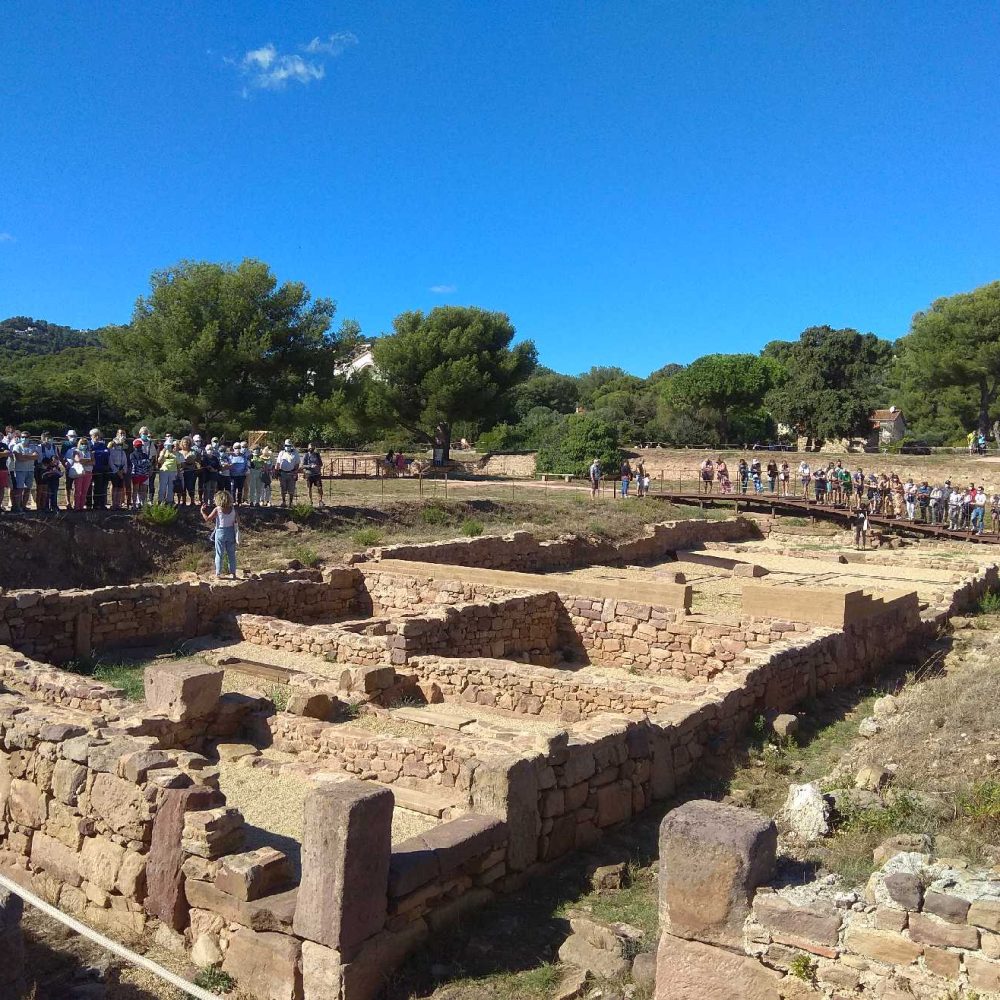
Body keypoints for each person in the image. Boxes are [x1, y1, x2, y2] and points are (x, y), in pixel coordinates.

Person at [201, 490, 239, 579]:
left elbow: (208, 519)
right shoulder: (233, 510)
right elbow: (238, 521)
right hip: (231, 532)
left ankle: (218, 573)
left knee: (219, 554)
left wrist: (202, 511)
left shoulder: (218, 509)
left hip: (220, 532)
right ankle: (233, 573)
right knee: (231, 554)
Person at [11, 432, 39, 513]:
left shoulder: (33, 446)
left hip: (30, 470)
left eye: (26, 437)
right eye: (22, 437)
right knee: (19, 489)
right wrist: (30, 457)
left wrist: (25, 456)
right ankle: (18, 507)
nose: (24, 438)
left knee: (28, 489)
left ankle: (24, 506)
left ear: (29, 438)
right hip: (20, 470)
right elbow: (19, 458)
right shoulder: (17, 446)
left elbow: (36, 456)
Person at [67, 435, 93, 511]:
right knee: (78, 490)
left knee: (85, 490)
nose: (84, 445)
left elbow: (93, 461)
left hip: (88, 472)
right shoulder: (76, 451)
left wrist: (85, 461)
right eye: (82, 443)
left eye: (85, 444)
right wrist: (88, 461)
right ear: (79, 444)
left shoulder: (89, 452)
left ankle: (81, 506)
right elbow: (78, 460)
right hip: (79, 472)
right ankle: (76, 506)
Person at [35, 431, 59, 511]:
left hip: (53, 470)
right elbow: (39, 461)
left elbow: (57, 458)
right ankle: (43, 506)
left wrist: (54, 463)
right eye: (47, 438)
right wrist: (48, 464)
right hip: (43, 471)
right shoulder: (39, 447)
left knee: (54, 489)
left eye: (50, 438)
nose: (49, 439)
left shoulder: (54, 447)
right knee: (44, 490)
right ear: (42, 439)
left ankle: (54, 505)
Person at [89, 429, 110, 509]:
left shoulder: (102, 445)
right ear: (91, 436)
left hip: (100, 469)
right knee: (88, 488)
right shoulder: (88, 444)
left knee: (99, 487)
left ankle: (98, 504)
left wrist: (96, 453)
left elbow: (107, 453)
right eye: (95, 435)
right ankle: (88, 504)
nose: (97, 437)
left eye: (98, 435)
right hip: (90, 468)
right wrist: (100, 452)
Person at [108, 434, 129, 509]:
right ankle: (113, 503)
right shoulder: (112, 451)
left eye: (120, 444)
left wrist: (123, 470)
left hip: (121, 471)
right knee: (115, 487)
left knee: (120, 487)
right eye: (118, 444)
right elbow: (111, 462)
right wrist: (117, 471)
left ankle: (118, 503)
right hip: (114, 471)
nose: (119, 445)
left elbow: (125, 462)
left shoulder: (122, 452)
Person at [277, 440, 301, 505]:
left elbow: (297, 464)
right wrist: (277, 472)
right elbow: (278, 463)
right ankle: (283, 501)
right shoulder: (281, 453)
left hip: (291, 473)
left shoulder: (295, 453)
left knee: (291, 489)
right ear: (284, 446)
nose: (287, 447)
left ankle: (290, 502)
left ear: (291, 446)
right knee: (283, 488)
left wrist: (295, 472)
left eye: (289, 446)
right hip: (283, 473)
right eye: (286, 446)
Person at [129, 439, 151, 508]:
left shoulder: (145, 455)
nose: (139, 448)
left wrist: (143, 462)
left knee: (144, 490)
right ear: (134, 446)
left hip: (144, 474)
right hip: (136, 474)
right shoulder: (132, 454)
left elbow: (149, 464)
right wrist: (144, 461)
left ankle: (143, 504)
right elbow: (135, 463)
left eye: (140, 446)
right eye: (138, 446)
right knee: (135, 490)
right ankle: (134, 504)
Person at [0, 435, 9, 511]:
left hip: (3, 469)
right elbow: (4, 454)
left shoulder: (4, 445)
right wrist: (2, 454)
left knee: (2, 489)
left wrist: (3, 454)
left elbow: (7, 453)